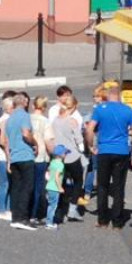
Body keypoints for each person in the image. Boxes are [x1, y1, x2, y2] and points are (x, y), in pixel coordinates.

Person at [86, 83, 132, 230]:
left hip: (104, 150)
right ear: (119, 96)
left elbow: (90, 129)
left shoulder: (100, 110)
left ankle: (102, 220)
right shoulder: (128, 111)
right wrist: (130, 146)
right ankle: (117, 221)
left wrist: (91, 146)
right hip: (121, 151)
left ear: (108, 96)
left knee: (102, 185)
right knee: (119, 186)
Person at [46, 93, 84, 222]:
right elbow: (78, 138)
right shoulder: (72, 120)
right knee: (78, 181)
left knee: (60, 183)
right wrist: (82, 148)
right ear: (73, 107)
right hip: (72, 155)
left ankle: (59, 211)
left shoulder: (56, 120)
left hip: (59, 155)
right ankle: (72, 208)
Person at [3, 93, 38, 230]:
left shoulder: (10, 119)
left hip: (14, 155)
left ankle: (15, 216)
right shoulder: (24, 115)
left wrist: (8, 159)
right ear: (24, 103)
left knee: (16, 187)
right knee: (27, 187)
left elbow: (6, 141)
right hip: (25, 154)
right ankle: (23, 218)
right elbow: (25, 133)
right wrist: (34, 143)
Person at [0, 91, 16, 221]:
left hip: (4, 155)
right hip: (4, 156)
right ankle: (2, 210)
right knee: (4, 184)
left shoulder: (4, 119)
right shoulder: (5, 120)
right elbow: (2, 140)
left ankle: (7, 208)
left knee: (7, 183)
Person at [30, 95, 50, 223]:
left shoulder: (28, 118)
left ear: (33, 105)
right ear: (44, 107)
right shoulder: (45, 121)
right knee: (39, 186)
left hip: (29, 154)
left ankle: (27, 211)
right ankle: (35, 213)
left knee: (28, 185)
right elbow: (48, 140)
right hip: (41, 155)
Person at [44, 145, 67, 230]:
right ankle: (49, 223)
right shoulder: (60, 164)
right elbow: (57, 177)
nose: (66, 155)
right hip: (54, 188)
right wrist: (60, 187)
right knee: (53, 206)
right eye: (65, 153)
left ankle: (48, 221)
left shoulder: (52, 162)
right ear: (61, 154)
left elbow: (48, 172)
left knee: (50, 205)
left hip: (49, 186)